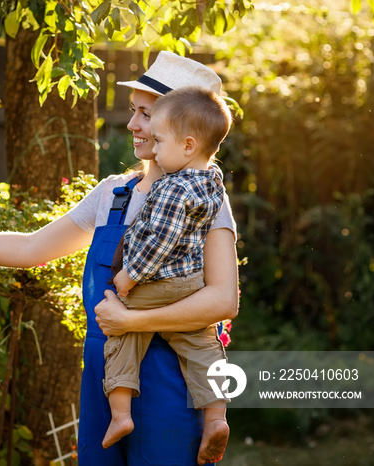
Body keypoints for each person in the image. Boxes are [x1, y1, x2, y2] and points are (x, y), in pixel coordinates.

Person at [0, 51, 239, 466]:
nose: (132, 125)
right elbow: (30, 248)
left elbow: (223, 301)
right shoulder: (114, 194)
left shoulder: (204, 201)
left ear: (185, 129)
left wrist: (133, 321)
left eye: (146, 115)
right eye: (134, 112)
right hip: (104, 375)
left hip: (172, 376)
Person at [102, 86, 232, 464]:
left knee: (121, 331)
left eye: (159, 140)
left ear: (188, 145)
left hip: (157, 283)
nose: (154, 149)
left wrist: (128, 277)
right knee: (204, 346)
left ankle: (121, 415)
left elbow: (159, 242)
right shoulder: (212, 181)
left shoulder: (173, 188)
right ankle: (217, 418)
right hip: (190, 285)